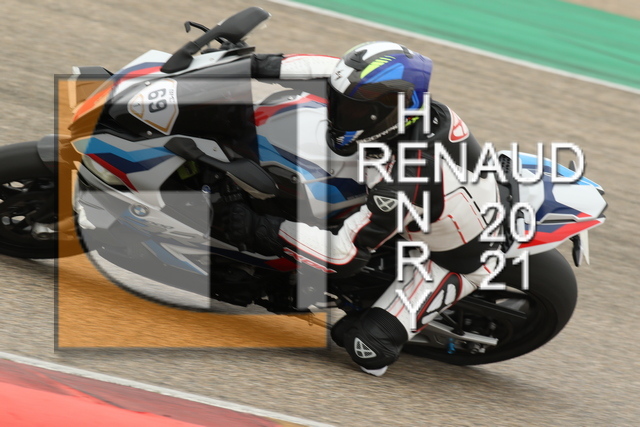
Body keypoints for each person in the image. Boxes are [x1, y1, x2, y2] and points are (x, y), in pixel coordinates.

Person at [227, 41, 500, 376]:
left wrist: (258, 227)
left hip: (454, 259)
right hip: (443, 199)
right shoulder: (406, 109)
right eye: (341, 103)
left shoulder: (406, 178)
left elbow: (343, 257)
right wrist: (250, 64)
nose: (338, 112)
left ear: (386, 112)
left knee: (365, 347)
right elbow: (327, 70)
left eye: (352, 110)